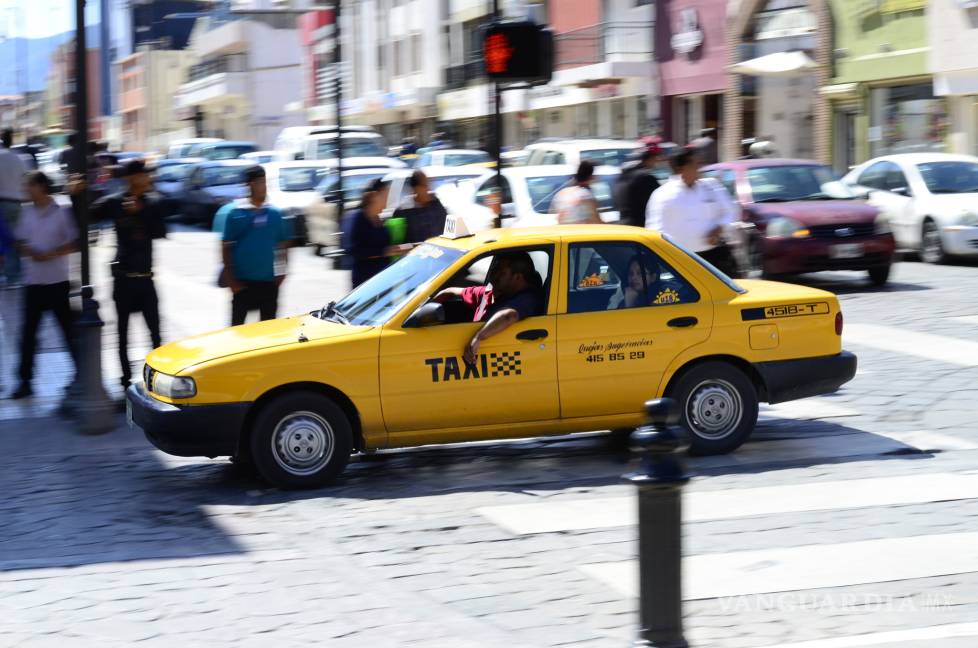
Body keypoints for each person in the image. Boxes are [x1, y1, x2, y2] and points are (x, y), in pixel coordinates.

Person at [91, 159, 167, 389]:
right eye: (143, 175)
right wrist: (77, 195)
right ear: (131, 178)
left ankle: (158, 378)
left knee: (155, 334)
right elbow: (89, 214)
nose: (148, 178)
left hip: (146, 279)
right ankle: (125, 380)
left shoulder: (153, 202)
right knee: (122, 333)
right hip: (123, 280)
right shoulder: (115, 202)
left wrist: (141, 212)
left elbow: (161, 232)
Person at [11, 171, 78, 399]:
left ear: (41, 186)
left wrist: (52, 254)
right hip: (33, 283)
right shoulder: (26, 212)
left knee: (68, 332)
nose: (25, 189)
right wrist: (29, 251)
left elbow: (74, 242)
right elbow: (19, 241)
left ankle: (81, 375)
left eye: (28, 185)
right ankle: (25, 382)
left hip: (57, 282)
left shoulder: (61, 211)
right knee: (28, 334)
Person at [432, 251, 544, 366]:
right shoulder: (489, 294)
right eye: (495, 268)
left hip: (498, 360)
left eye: (501, 271)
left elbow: (509, 315)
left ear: (517, 277)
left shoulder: (528, 298)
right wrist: (426, 308)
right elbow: (449, 291)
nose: (494, 273)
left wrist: (478, 337)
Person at [646, 147, 739, 277]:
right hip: (682, 262)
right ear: (682, 168)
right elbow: (656, 232)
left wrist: (720, 228)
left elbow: (731, 210)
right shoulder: (662, 195)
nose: (699, 168)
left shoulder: (711, 186)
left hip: (715, 257)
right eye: (695, 164)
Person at [220, 165, 291, 326]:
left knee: (268, 331)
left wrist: (282, 273)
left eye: (265, 182)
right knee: (237, 331)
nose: (264, 187)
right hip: (242, 284)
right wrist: (232, 282)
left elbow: (283, 244)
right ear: (249, 185)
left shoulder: (274, 214)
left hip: (268, 284)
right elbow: (225, 247)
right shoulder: (235, 214)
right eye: (260, 183)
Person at [348, 179, 412, 287]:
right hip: (364, 283)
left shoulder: (379, 219)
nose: (387, 201)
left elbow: (386, 246)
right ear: (374, 196)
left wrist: (400, 248)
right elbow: (355, 250)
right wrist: (384, 252)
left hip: (382, 281)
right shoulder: (358, 218)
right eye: (384, 196)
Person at [0, 128, 27, 286]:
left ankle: (6, 275)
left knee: (3, 240)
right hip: (16, 203)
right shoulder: (18, 158)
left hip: (1, 202)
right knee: (15, 240)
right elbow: (25, 180)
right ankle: (15, 275)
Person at [393, 170, 449, 244]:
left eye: (427, 184)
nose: (428, 189)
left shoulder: (436, 206)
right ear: (415, 189)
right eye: (424, 185)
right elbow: (399, 243)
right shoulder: (403, 211)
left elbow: (447, 229)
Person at [614, 145, 662, 227]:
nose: (656, 162)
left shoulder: (621, 177)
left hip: (623, 227)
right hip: (641, 228)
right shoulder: (646, 178)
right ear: (649, 159)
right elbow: (661, 201)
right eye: (655, 158)